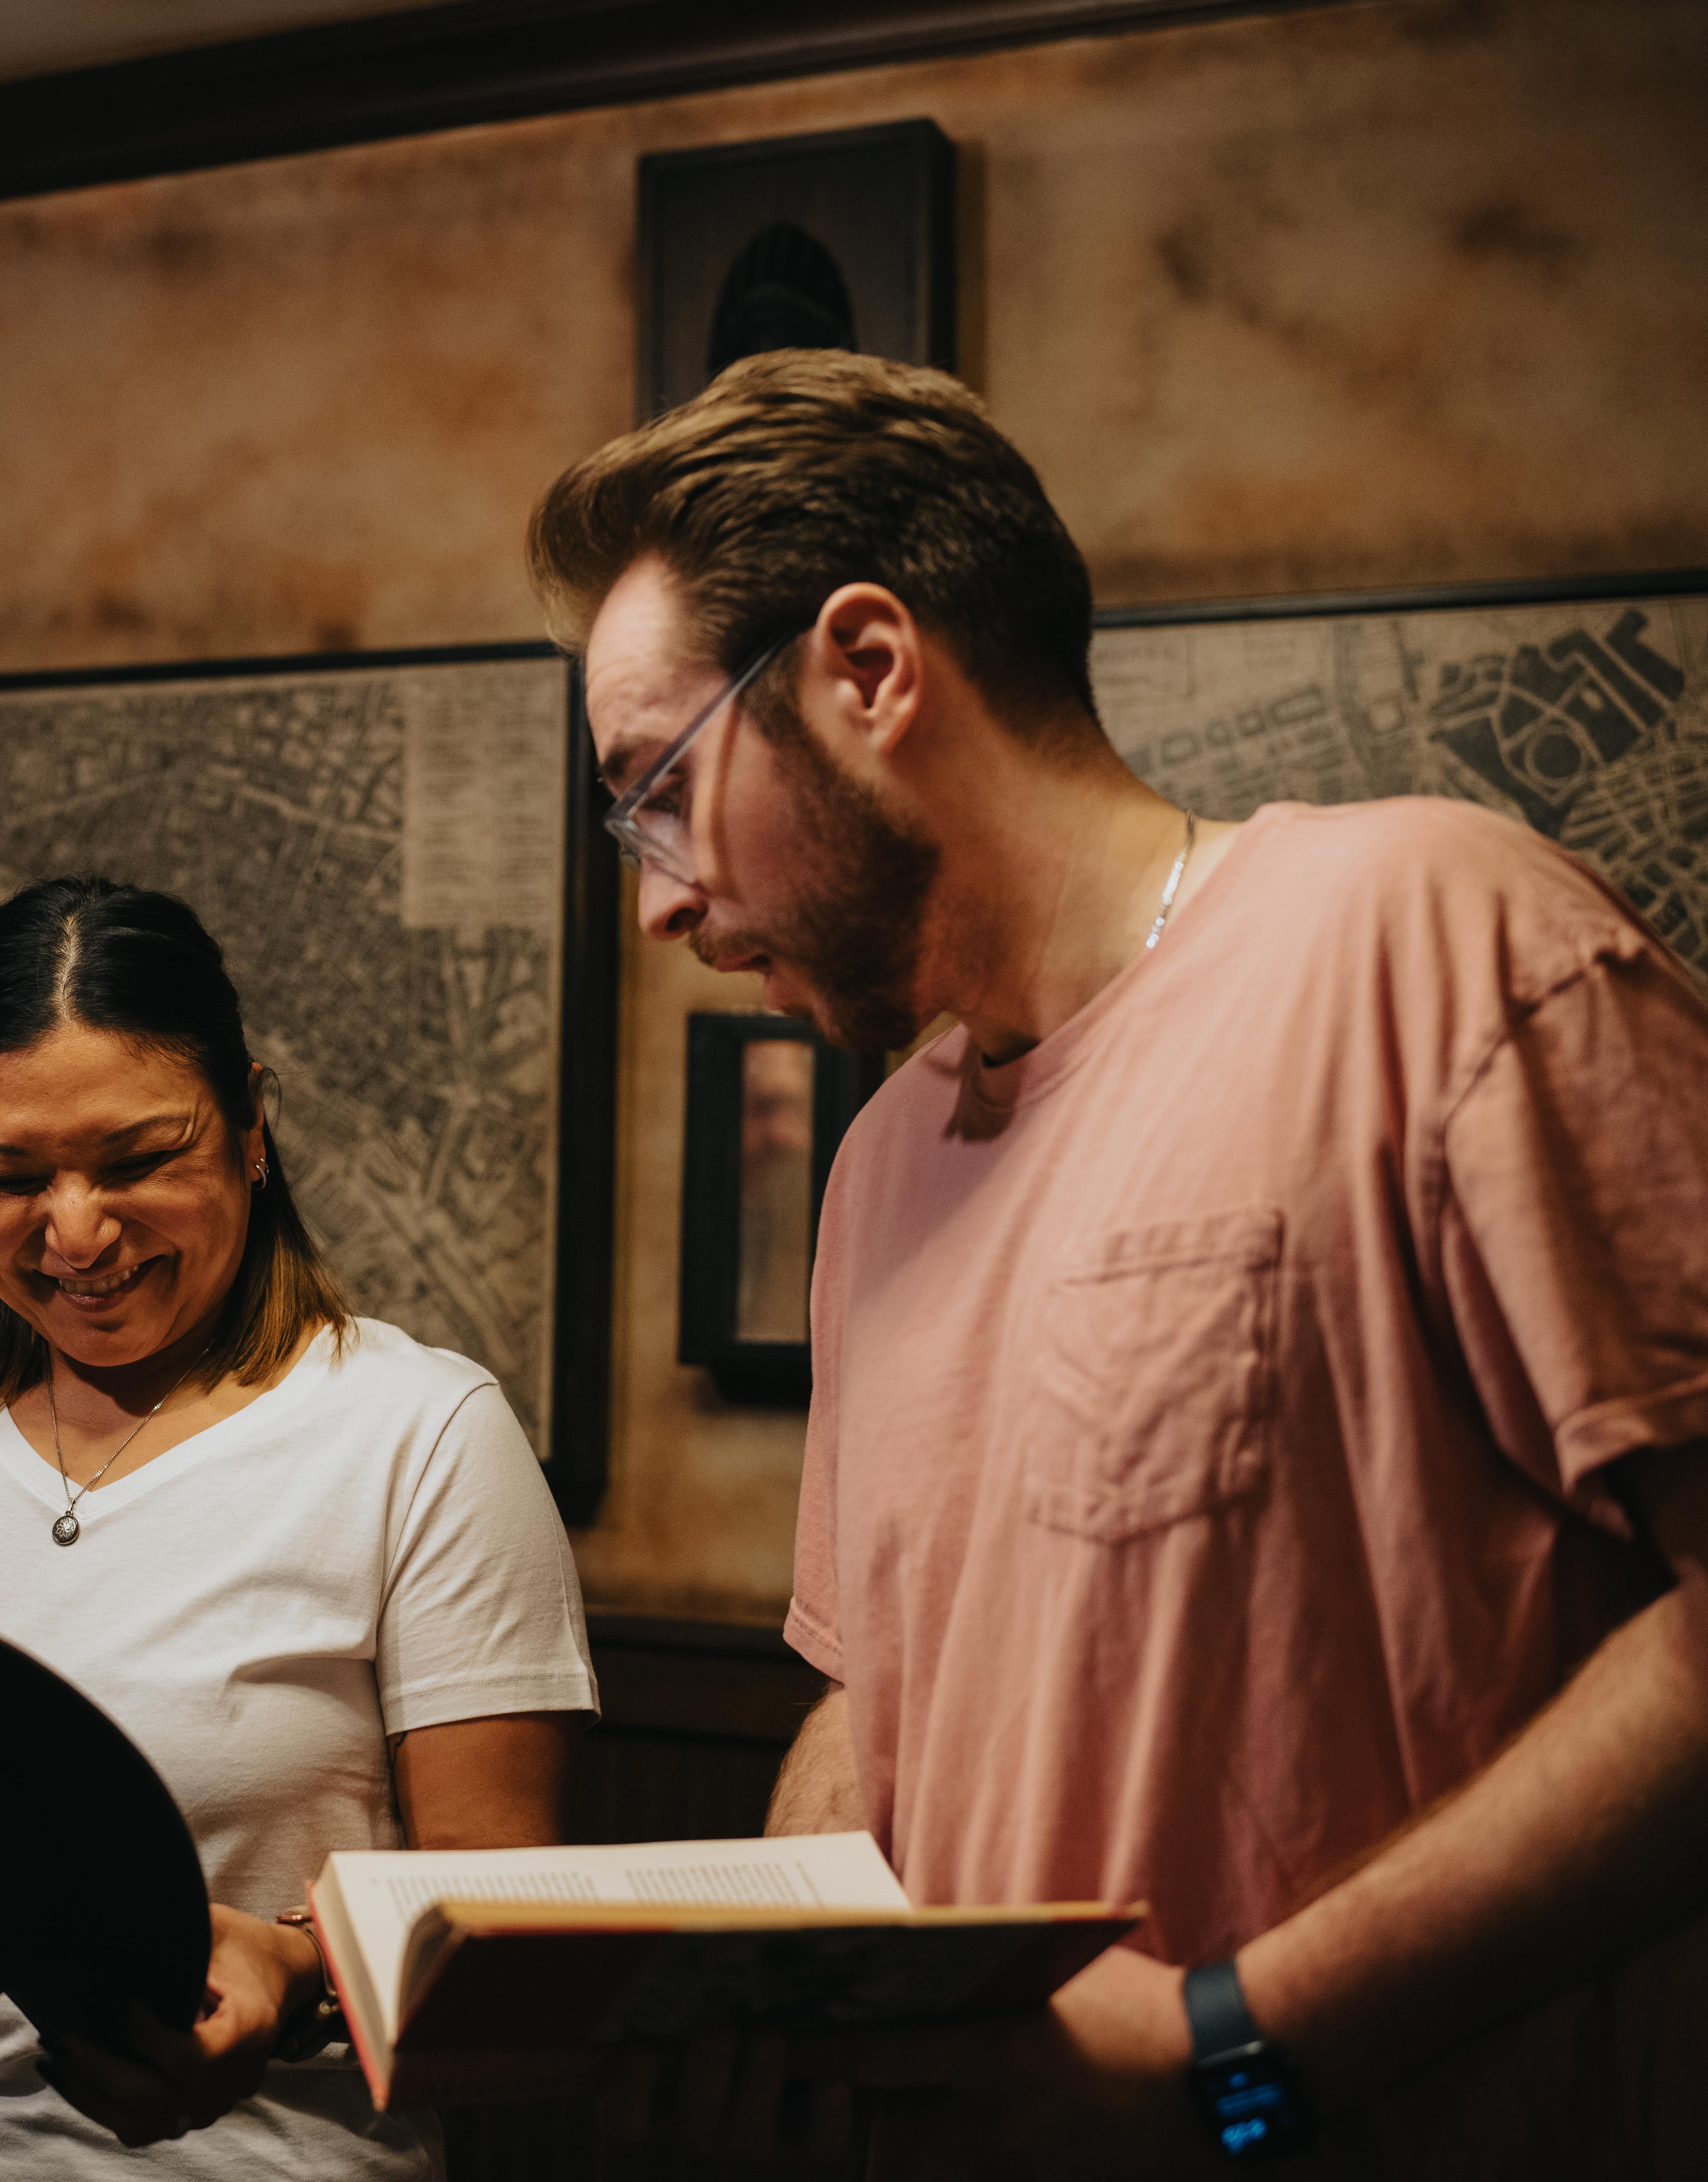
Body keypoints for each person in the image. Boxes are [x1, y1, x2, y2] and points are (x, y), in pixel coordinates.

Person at [528, 350, 1708, 2175]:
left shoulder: (1438, 938)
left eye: (660, 787)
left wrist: (1224, 2057)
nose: (661, 897)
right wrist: (773, 2001)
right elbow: (876, 1690)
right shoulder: (880, 1157)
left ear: (867, 670)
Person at [0, 877, 599, 2179]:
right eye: (9, 1178)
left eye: (137, 1161)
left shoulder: (419, 1435)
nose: (76, 1232)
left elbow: (506, 1930)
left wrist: (297, 1975)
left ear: (252, 1125)